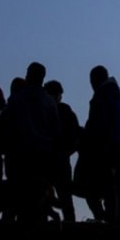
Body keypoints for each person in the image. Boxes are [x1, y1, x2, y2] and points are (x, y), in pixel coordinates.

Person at [0, 62, 61, 223]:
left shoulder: (15, 100)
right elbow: (56, 132)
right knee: (38, 202)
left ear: (28, 76)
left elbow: (5, 126)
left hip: (18, 157)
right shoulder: (49, 102)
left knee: (17, 199)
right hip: (42, 158)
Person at [74, 65, 120, 223]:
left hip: (106, 148)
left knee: (106, 188)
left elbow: (97, 126)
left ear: (94, 81)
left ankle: (110, 221)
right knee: (118, 187)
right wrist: (118, 135)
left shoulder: (100, 98)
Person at [43, 80, 82, 222]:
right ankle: (69, 227)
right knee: (65, 198)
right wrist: (66, 152)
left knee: (43, 197)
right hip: (61, 160)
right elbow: (75, 137)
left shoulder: (44, 111)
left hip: (47, 160)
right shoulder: (66, 111)